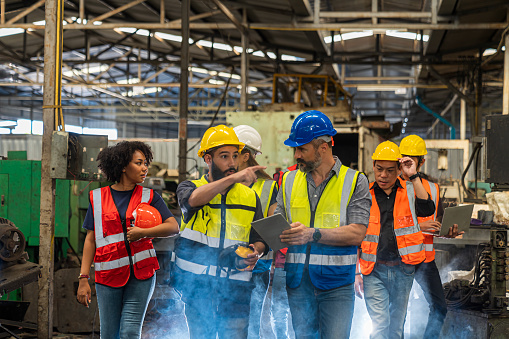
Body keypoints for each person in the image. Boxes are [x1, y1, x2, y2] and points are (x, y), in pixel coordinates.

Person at [276, 110, 372, 339]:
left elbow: (357, 233)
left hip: (337, 284)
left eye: (302, 149)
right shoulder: (288, 180)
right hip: (298, 282)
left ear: (323, 147)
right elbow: (278, 223)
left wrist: (313, 234)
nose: (296, 155)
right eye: (295, 149)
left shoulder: (355, 181)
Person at [77, 141, 180, 339]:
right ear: (123, 166)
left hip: (141, 275)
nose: (145, 168)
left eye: (145, 163)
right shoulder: (97, 198)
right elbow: (91, 240)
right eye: (139, 163)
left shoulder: (150, 196)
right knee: (109, 334)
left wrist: (143, 233)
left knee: (129, 332)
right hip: (107, 276)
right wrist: (83, 278)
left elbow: (173, 227)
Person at [173, 125, 268, 339]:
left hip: (236, 286)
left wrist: (256, 252)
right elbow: (192, 200)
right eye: (224, 156)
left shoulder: (249, 197)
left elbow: (260, 239)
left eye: (235, 156)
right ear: (208, 159)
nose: (232, 163)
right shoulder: (190, 187)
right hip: (198, 287)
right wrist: (234, 178)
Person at [356, 141, 435, 339]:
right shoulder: (364, 194)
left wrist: (413, 175)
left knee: (396, 328)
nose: (383, 175)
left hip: (403, 270)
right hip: (373, 270)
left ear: (399, 168)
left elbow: (427, 209)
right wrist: (356, 272)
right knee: (380, 325)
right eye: (379, 169)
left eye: (390, 170)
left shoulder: (410, 189)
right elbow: (356, 234)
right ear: (373, 165)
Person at [399, 135, 463, 338]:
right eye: (403, 159)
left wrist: (448, 232)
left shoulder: (433, 189)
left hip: (425, 261)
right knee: (398, 314)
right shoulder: (391, 188)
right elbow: (388, 226)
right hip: (399, 259)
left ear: (421, 162)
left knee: (439, 308)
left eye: (412, 159)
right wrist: (419, 226)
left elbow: (439, 221)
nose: (406, 163)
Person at [233, 125, 286, 339]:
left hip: (257, 263)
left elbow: (277, 229)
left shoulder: (269, 187)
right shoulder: (220, 183)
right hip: (226, 259)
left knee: (252, 322)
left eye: (232, 154)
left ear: (246, 156)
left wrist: (259, 248)